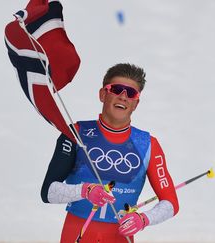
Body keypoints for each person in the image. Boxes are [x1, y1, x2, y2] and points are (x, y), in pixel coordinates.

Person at [41, 63, 179, 242]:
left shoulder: (148, 144)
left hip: (120, 236)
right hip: (76, 233)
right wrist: (85, 191)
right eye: (116, 89)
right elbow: (48, 192)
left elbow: (171, 203)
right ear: (102, 94)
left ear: (136, 103)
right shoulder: (75, 133)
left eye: (131, 93)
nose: (123, 97)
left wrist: (144, 219)